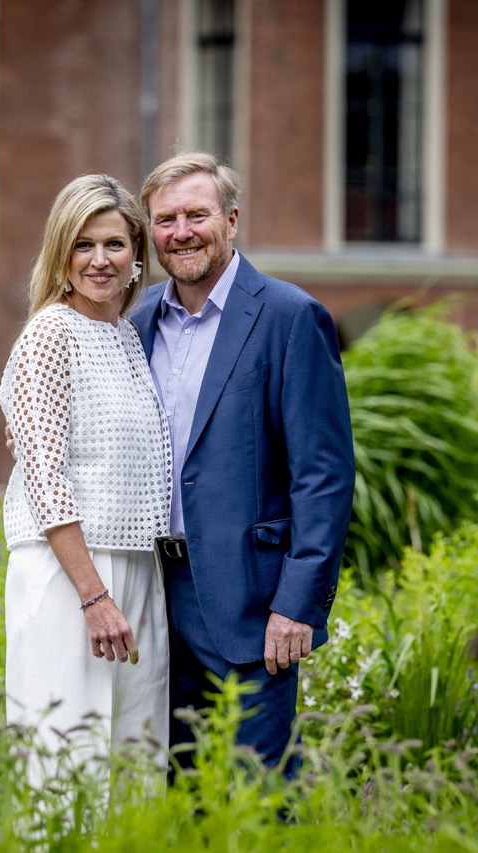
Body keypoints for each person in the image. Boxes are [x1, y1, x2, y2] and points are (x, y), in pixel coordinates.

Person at [129, 152, 354, 773]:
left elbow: (324, 476)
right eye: (166, 219)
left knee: (262, 794)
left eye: (196, 214)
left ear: (230, 220)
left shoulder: (290, 316)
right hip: (150, 592)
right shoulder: (138, 319)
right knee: (178, 789)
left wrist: (298, 605)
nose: (181, 232)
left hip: (252, 603)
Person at [0, 174, 171, 791]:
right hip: (71, 575)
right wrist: (94, 597)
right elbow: (45, 476)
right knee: (65, 766)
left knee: (133, 763)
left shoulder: (126, 336)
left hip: (137, 571)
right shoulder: (50, 334)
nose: (100, 260)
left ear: (136, 257)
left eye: (115, 245)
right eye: (83, 245)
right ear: (61, 254)